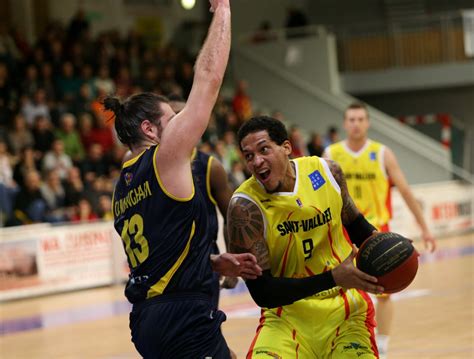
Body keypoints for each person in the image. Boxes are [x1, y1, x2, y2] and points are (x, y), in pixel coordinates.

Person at [108, 1, 261, 358]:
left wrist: (210, 261)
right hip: (182, 316)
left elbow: (160, 253)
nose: (180, 123)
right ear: (149, 129)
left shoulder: (122, 187)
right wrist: (223, 9)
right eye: (172, 118)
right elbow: (208, 80)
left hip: (149, 318)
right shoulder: (164, 158)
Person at [228, 116, 384, 358]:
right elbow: (263, 293)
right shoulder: (244, 207)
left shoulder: (327, 171)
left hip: (346, 311)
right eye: (249, 156)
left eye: (264, 149)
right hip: (285, 317)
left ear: (287, 148)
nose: (257, 161)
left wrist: (390, 248)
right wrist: (334, 277)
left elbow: (355, 224)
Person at [324, 102, 437, 358]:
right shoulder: (331, 152)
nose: (356, 124)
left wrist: (425, 229)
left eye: (360, 119)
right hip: (342, 233)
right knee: (340, 291)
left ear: (368, 122)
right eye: (351, 119)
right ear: (345, 123)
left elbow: (405, 191)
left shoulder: (382, 153)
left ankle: (382, 346)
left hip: (377, 234)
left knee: (384, 295)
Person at [168, 93, 238, 297]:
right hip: (163, 265)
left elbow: (231, 217)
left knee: (204, 328)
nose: (177, 123)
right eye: (171, 118)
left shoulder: (210, 167)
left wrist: (232, 259)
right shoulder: (148, 163)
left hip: (203, 264)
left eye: (182, 116)